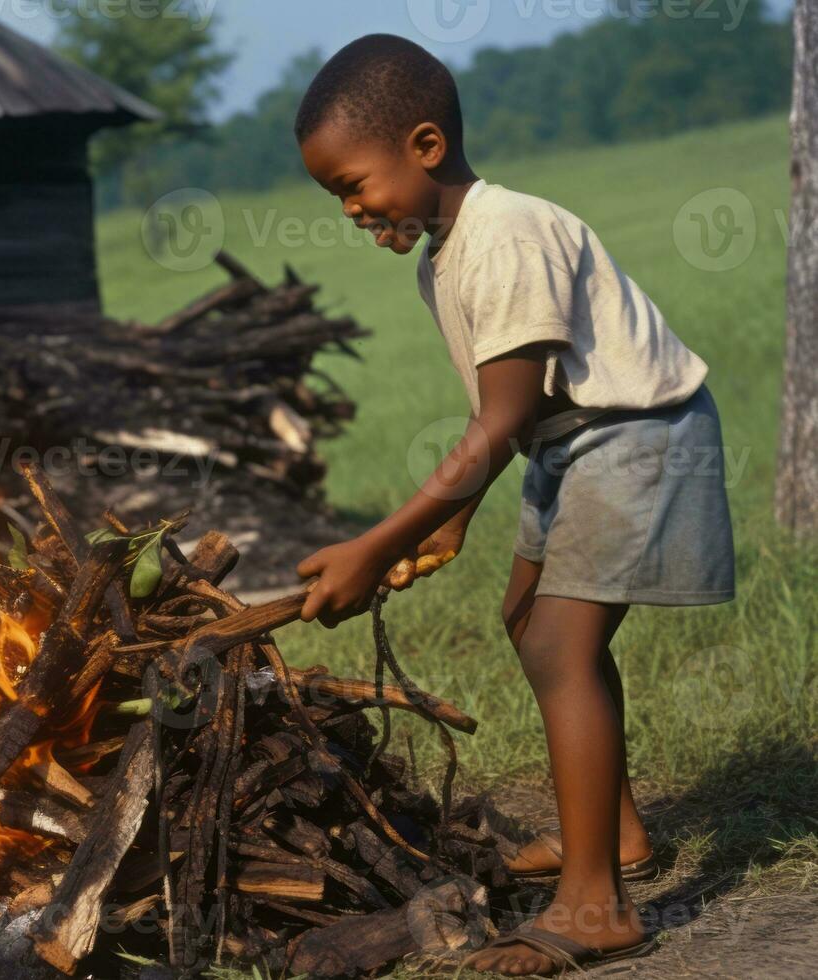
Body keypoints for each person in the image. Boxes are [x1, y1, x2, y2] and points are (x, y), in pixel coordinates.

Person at [292, 34, 735, 976]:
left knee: (556, 645)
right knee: (526, 618)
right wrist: (452, 515)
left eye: (351, 184)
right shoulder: (442, 261)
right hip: (565, 439)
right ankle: (613, 842)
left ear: (422, 145)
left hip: (636, 433)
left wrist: (377, 543)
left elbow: (499, 420)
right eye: (335, 195)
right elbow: (509, 404)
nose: (351, 209)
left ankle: (595, 910)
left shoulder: (508, 233)